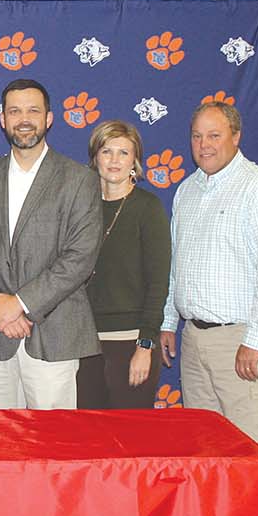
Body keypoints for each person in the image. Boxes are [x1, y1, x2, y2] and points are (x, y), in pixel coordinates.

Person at [160, 101, 258, 516]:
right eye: (197, 136)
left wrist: (256, 341)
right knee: (209, 457)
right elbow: (179, 266)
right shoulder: (187, 191)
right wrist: (167, 321)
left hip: (246, 340)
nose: (204, 146)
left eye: (214, 136)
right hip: (197, 342)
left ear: (236, 136)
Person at [0, 78, 101, 410]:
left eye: (33, 110)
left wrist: (21, 303)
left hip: (54, 337)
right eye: (15, 111)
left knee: (52, 447)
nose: (24, 119)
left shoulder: (79, 180)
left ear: (49, 118)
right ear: (3, 119)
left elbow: (80, 258)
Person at [79, 120, 171, 410]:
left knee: (131, 440)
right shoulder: (81, 207)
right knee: (87, 440)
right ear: (95, 158)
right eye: (107, 151)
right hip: (84, 344)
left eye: (124, 153)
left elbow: (158, 283)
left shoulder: (148, 208)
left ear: (135, 160)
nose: (115, 160)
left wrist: (145, 345)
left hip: (131, 342)